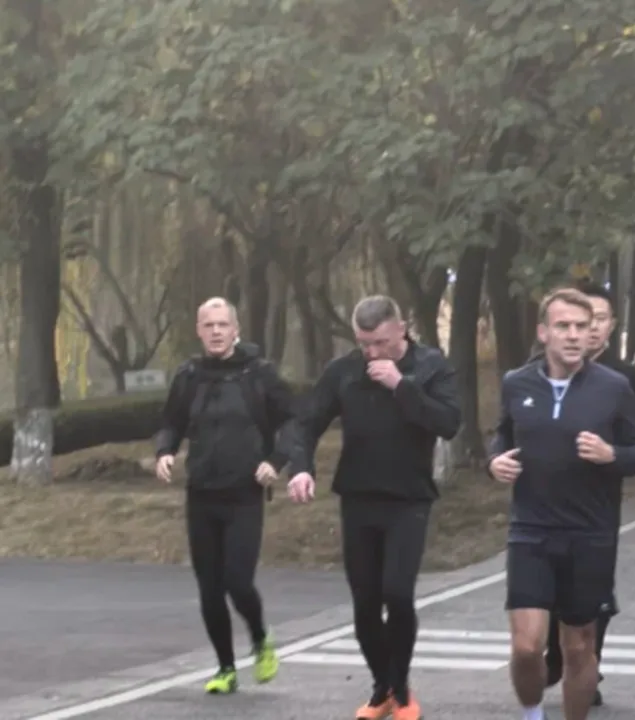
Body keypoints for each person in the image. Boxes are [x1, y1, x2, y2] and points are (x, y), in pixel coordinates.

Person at [286, 295, 461, 720]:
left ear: (401, 329)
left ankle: (401, 690)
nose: (372, 353)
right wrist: (301, 468)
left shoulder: (431, 366)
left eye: (380, 342)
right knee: (365, 602)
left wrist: (401, 385)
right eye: (364, 343)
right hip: (359, 497)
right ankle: (382, 686)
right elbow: (306, 422)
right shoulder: (344, 371)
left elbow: (448, 422)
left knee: (397, 594)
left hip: (408, 499)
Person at [488, 287, 635, 720]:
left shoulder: (615, 388)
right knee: (526, 646)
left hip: (589, 533)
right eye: (564, 326)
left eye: (583, 326)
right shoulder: (516, 383)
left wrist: (611, 454)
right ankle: (532, 714)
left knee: (578, 646)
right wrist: (494, 460)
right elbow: (503, 433)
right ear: (544, 332)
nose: (575, 335)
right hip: (531, 529)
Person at [154, 297, 291, 695]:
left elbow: (292, 421)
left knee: (237, 581)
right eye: (208, 325)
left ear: (236, 330)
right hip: (201, 494)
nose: (216, 331)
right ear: (199, 331)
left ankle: (261, 638)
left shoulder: (258, 374)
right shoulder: (190, 375)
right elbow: (171, 422)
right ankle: (225, 667)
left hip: (244, 494)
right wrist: (164, 451)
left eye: (222, 324)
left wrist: (276, 461)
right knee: (209, 587)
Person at [542, 281, 635, 707]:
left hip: (598, 502)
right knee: (544, 585)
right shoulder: (538, 372)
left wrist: (615, 453)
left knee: (594, 592)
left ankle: (588, 666)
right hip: (544, 501)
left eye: (600, 320)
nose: (591, 329)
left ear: (612, 326)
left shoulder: (625, 379)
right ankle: (555, 653)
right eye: (584, 319)